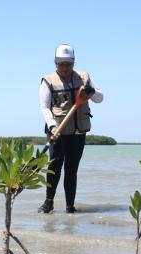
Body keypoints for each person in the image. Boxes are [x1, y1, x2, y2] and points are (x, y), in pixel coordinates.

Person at [38, 44, 104, 214]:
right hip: (57, 131)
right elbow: (44, 107)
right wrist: (53, 126)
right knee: (54, 168)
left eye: (68, 64)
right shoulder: (48, 81)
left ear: (73, 63)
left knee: (71, 170)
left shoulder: (84, 77)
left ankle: (70, 206)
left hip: (78, 132)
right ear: (55, 63)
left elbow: (100, 98)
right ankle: (49, 202)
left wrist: (91, 93)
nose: (65, 68)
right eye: (61, 64)